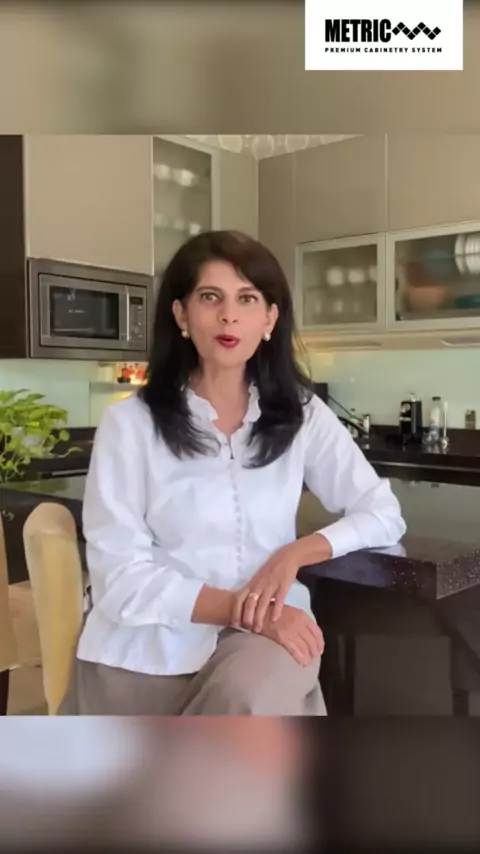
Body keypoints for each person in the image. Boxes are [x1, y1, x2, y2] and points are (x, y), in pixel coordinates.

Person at [60, 230, 406, 716]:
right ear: (181, 314)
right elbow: (119, 579)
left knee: (246, 698)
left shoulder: (302, 414)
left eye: (247, 298)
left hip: (270, 637)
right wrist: (246, 611)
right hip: (147, 649)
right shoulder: (130, 424)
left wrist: (295, 553)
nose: (229, 315)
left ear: (269, 318)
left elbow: (383, 514)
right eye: (210, 297)